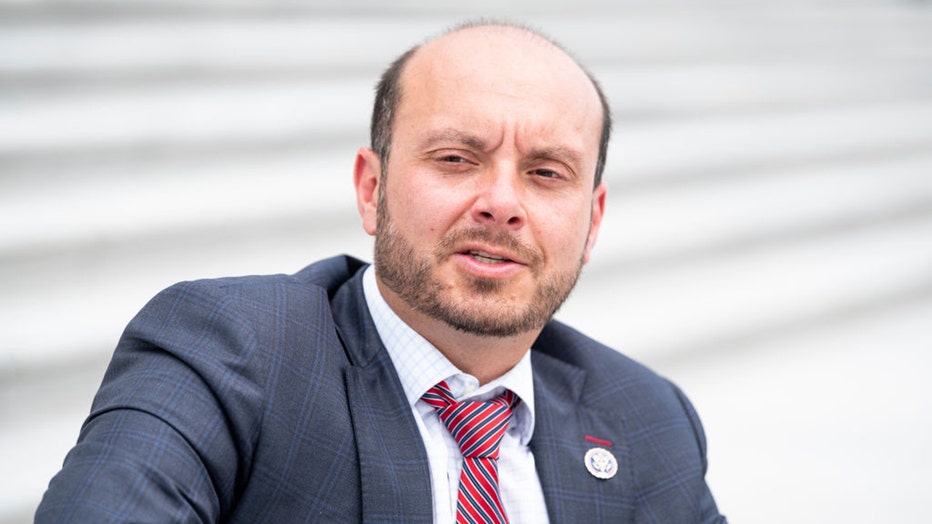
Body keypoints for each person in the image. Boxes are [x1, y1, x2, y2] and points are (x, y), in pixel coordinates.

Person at [36, 21, 726, 523]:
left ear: (593, 222)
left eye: (547, 174)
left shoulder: (648, 420)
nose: (503, 204)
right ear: (372, 190)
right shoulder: (230, 351)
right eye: (456, 158)